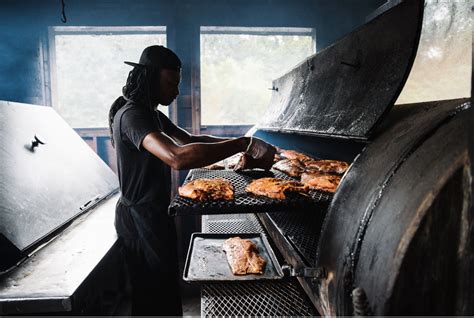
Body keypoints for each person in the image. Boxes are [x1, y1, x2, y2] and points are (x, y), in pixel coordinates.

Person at [108, 45, 275, 315]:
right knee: (152, 295)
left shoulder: (153, 115)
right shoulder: (132, 115)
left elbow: (190, 141)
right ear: (150, 78)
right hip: (139, 217)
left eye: (178, 84)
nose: (176, 91)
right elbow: (177, 156)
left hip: (153, 213)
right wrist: (244, 143)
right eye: (170, 83)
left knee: (163, 289)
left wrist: (244, 145)